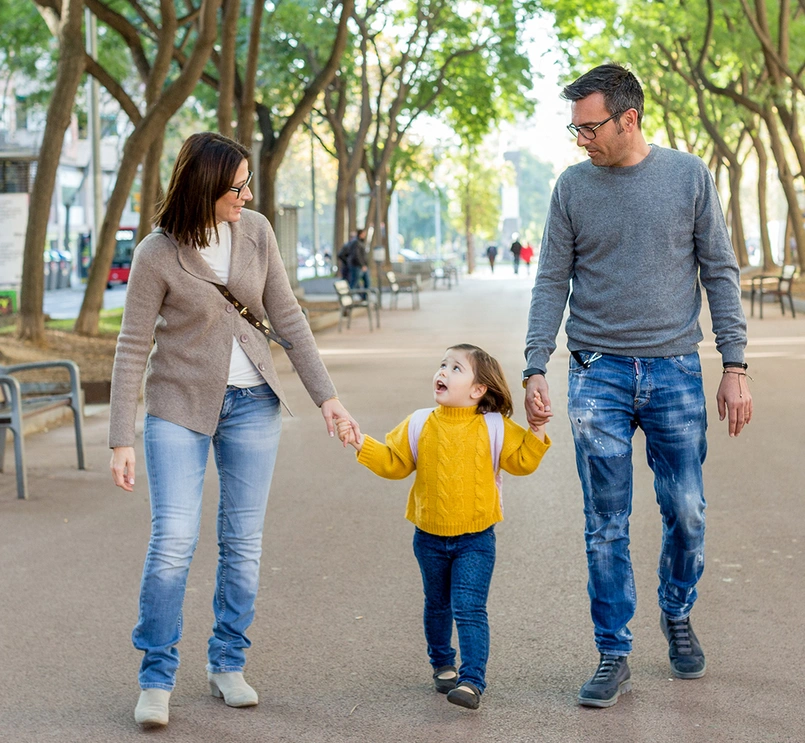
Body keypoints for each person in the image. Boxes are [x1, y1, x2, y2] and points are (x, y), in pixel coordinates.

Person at [109, 132, 357, 729]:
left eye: (248, 183)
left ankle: (227, 662)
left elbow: (288, 316)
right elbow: (131, 345)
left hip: (252, 404)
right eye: (237, 185)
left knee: (243, 544)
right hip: (178, 405)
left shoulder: (256, 232)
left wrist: (327, 398)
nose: (247, 193)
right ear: (204, 187)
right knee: (173, 540)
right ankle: (156, 676)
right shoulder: (157, 253)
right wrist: (121, 436)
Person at [523, 64, 752, 709]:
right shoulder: (572, 187)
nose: (580, 140)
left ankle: (677, 610)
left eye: (589, 127)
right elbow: (551, 282)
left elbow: (720, 273)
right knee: (605, 522)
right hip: (598, 374)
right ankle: (613, 651)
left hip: (675, 368)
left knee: (687, 510)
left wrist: (734, 365)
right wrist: (536, 363)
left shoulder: (687, 177)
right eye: (574, 128)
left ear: (629, 119)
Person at [336, 344, 551, 710]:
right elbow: (395, 463)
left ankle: (472, 681)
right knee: (437, 605)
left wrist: (536, 429)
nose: (442, 372)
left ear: (478, 389)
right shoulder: (419, 422)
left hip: (476, 537)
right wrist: (361, 443)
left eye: (455, 368)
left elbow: (523, 462)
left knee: (468, 607)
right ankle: (442, 663)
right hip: (429, 536)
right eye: (442, 365)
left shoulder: (494, 425)